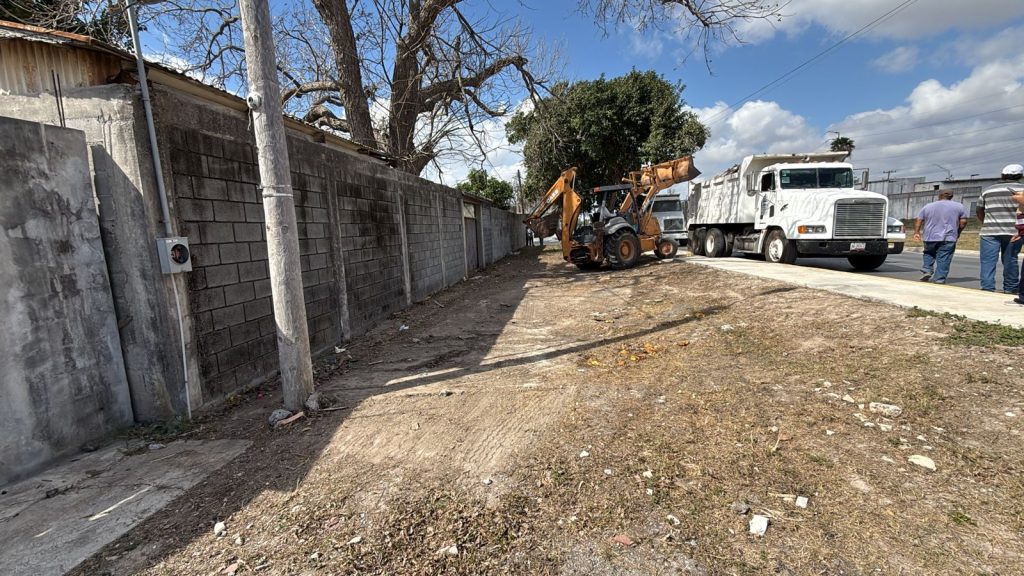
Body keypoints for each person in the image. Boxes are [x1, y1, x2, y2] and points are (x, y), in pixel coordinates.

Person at [977, 164, 1024, 293]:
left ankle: (987, 287)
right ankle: (1010, 288)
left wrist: (985, 223)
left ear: (1002, 175)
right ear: (1020, 176)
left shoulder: (988, 190)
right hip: (1015, 231)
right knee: (1011, 259)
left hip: (990, 231)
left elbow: (979, 210)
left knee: (988, 261)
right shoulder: (1023, 190)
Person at [914, 189, 967, 284]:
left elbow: (919, 220)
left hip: (930, 236)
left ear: (939, 196)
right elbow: (963, 222)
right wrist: (958, 232)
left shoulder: (928, 206)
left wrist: (917, 232)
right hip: (949, 237)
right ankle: (939, 279)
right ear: (951, 197)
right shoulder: (959, 206)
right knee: (944, 257)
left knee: (928, 253)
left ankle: (927, 270)